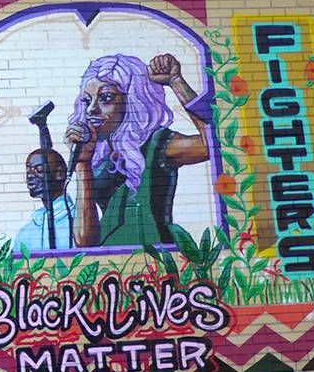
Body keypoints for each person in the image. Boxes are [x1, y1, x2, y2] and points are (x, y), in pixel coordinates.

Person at [63, 53, 212, 248]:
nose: (91, 109)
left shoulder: (156, 144)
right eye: (86, 100)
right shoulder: (96, 156)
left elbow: (212, 146)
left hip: (156, 258)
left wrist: (176, 82)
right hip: (112, 263)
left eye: (105, 98)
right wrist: (82, 164)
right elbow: (84, 241)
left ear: (132, 100)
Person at [14, 148, 74, 252]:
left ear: (59, 174)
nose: (30, 175)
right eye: (28, 170)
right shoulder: (25, 234)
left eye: (39, 170)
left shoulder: (79, 224)